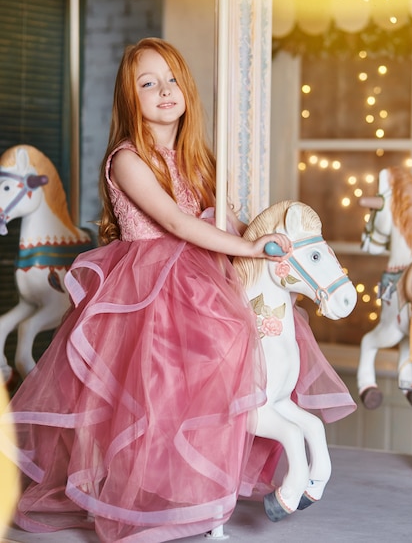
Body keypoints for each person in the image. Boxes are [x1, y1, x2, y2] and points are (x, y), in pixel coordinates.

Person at [2, 37, 291, 543]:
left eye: (173, 79)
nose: (164, 91)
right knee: (151, 390)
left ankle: (192, 485)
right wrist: (248, 249)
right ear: (129, 97)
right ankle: (136, 495)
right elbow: (176, 222)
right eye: (148, 82)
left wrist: (257, 236)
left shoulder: (194, 157)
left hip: (198, 279)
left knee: (208, 373)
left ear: (187, 90)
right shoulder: (127, 160)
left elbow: (217, 216)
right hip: (148, 286)